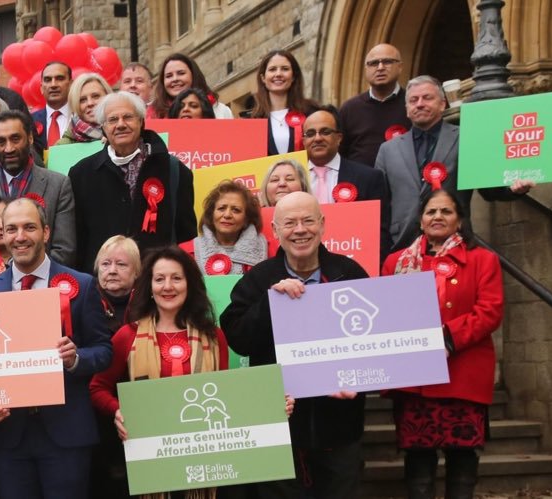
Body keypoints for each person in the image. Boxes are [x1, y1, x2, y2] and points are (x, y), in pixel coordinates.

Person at [220, 192, 368, 498]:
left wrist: (360, 379)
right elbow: (239, 339)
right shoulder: (259, 279)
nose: (300, 230)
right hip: (279, 427)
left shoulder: (349, 274)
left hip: (340, 428)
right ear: (275, 230)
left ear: (322, 224)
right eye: (289, 223)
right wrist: (269, 303)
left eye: (308, 221)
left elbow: (374, 344)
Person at [0, 198, 112, 499]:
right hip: (9, 435)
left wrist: (76, 358)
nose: (20, 236)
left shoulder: (82, 285)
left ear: (46, 232)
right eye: (11, 229)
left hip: (66, 432)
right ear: (2, 234)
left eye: (29, 227)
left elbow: (104, 350)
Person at [382, 188, 503, 499]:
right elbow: (386, 314)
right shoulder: (395, 262)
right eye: (431, 211)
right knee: (418, 458)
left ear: (459, 220)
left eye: (446, 211)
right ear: (420, 220)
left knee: (462, 457)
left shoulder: (483, 260)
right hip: (415, 379)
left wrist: (447, 338)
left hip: (463, 373)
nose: (437, 217)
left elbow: (489, 312)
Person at [89, 246, 233, 499]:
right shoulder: (128, 336)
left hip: (203, 457)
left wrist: (272, 406)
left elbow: (226, 395)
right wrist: (119, 411)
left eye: (176, 278)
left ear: (189, 285)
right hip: (149, 455)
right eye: (159, 279)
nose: (168, 286)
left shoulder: (214, 337)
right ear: (149, 287)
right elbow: (97, 387)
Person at [374, 75, 532, 250]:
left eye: (427, 98)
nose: (419, 104)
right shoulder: (388, 149)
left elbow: (489, 189)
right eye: (413, 100)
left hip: (454, 242)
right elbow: (379, 203)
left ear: (442, 104)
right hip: (402, 245)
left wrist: (513, 189)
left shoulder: (466, 138)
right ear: (407, 109)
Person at [68, 92, 195, 269]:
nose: (121, 124)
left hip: (156, 278)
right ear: (103, 127)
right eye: (113, 119)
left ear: (141, 121)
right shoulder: (81, 174)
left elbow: (186, 236)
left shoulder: (175, 170)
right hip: (103, 280)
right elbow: (78, 240)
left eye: (128, 117)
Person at [0, 110, 76, 265]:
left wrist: (28, 275)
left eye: (15, 139)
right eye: (1, 142)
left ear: (30, 138)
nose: (9, 148)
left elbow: (64, 251)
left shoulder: (59, 185)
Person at [303, 106, 393, 255]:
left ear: (339, 138)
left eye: (325, 132)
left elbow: (380, 233)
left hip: (352, 259)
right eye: (310, 134)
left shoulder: (369, 178)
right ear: (304, 140)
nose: (317, 138)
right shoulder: (291, 179)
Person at [338, 43, 411, 165]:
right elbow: (340, 153)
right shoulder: (349, 109)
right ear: (366, 69)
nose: (380, 67)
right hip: (360, 177)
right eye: (374, 63)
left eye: (387, 62)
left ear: (400, 67)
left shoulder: (412, 104)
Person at [247, 50, 322, 155]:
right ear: (263, 78)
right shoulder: (251, 119)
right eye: (272, 69)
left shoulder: (311, 112)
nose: (278, 74)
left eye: (285, 69)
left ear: (293, 76)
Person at [191, 180, 268, 275]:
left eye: (236, 210)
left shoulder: (268, 249)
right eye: (221, 208)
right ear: (211, 214)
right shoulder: (187, 252)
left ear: (247, 218)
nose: (227, 215)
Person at [150, 53, 232, 119]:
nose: (175, 79)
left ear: (193, 75)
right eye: (169, 76)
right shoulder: (151, 114)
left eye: (181, 73)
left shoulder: (220, 111)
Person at [54, 72, 112, 146]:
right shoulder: (63, 146)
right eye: (82, 100)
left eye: (96, 96)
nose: (90, 103)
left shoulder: (124, 134)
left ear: (108, 96)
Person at [34, 62, 74, 148]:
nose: (53, 85)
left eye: (60, 78)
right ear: (41, 88)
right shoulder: (30, 121)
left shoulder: (82, 118)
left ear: (71, 84)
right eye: (48, 80)